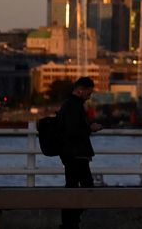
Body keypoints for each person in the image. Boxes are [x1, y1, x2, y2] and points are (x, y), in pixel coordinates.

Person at [58, 76, 102, 229]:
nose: (89, 96)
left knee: (72, 188)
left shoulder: (69, 104)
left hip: (71, 154)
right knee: (86, 189)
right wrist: (90, 128)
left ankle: (69, 223)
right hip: (76, 154)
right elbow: (73, 131)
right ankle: (70, 223)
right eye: (88, 93)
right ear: (80, 90)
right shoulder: (73, 106)